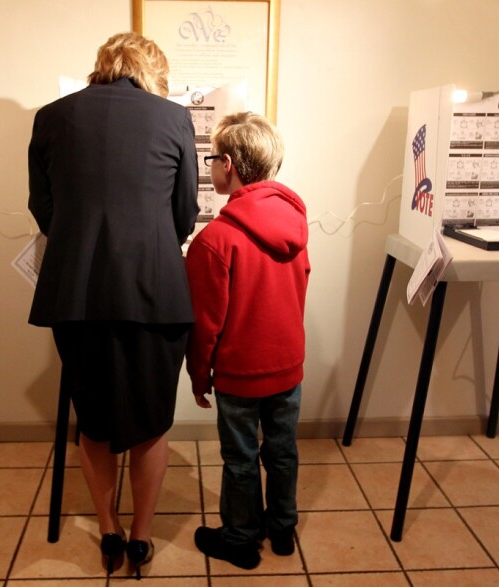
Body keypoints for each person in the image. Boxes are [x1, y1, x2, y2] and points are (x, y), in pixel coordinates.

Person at [27, 32, 199, 579]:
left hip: (77, 293)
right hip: (154, 290)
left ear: (101, 65)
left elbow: (43, 207)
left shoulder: (51, 117)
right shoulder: (174, 120)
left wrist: (81, 241)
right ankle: (143, 538)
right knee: (151, 422)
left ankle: (108, 528)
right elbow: (183, 214)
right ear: (153, 70)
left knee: (94, 419)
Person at [185, 112, 310, 570]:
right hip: (287, 366)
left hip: (239, 374)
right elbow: (300, 286)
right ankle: (282, 530)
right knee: (282, 451)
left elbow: (205, 322)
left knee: (240, 458)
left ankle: (240, 539)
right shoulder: (295, 224)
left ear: (230, 164)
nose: (210, 166)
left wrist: (199, 376)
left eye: (212, 158)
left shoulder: (215, 240)